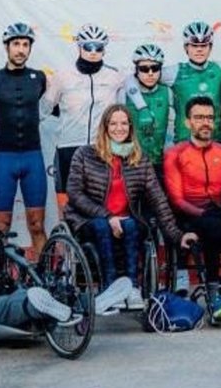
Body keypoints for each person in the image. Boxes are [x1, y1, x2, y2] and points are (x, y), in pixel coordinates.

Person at [65, 105, 194, 310]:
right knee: (102, 226)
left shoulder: (139, 158)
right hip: (89, 219)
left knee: (133, 225)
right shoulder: (85, 154)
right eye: (113, 123)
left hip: (127, 221)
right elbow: (74, 193)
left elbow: (158, 200)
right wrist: (107, 216)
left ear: (131, 127)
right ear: (105, 127)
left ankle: (132, 288)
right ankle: (110, 289)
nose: (119, 128)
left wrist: (178, 235)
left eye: (124, 123)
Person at [164, 96, 221, 321]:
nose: (205, 123)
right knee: (213, 226)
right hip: (190, 214)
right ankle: (214, 294)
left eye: (209, 118)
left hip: (219, 211)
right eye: (199, 118)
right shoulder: (175, 154)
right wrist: (205, 214)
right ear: (187, 122)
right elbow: (177, 200)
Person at [0, 22, 48, 256]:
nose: (21, 49)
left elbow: (57, 106)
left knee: (37, 224)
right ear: (6, 47)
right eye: (16, 44)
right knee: (1, 225)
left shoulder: (38, 78)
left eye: (25, 45)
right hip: (4, 158)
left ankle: (44, 273)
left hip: (33, 157)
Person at [42, 23, 124, 215]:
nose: (93, 52)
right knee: (66, 207)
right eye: (88, 46)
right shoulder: (62, 76)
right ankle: (65, 235)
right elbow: (44, 109)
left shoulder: (115, 77)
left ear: (104, 50)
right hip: (68, 147)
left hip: (101, 148)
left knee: (101, 205)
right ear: (79, 47)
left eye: (99, 47)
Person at [123, 43, 172, 180]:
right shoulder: (123, 94)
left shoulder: (167, 92)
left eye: (155, 68)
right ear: (136, 70)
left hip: (159, 162)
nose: (150, 73)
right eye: (144, 69)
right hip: (131, 163)